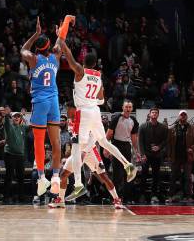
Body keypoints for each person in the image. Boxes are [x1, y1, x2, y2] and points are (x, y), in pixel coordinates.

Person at [56, 32, 137, 206]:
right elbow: (101, 98)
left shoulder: (80, 71)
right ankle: (127, 164)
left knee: (76, 145)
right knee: (104, 142)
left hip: (84, 112)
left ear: (83, 61)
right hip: (95, 111)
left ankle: (78, 184)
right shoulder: (99, 76)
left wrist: (62, 41)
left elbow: (68, 56)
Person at [21, 16, 67, 197]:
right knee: (56, 142)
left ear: (37, 48)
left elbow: (23, 49)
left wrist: (35, 34)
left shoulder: (33, 59)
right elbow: (60, 42)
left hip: (40, 102)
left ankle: (41, 178)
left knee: (39, 142)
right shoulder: (55, 58)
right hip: (54, 102)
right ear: (49, 47)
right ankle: (55, 176)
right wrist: (60, 31)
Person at [54, 104, 123, 209]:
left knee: (103, 176)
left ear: (74, 109)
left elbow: (93, 137)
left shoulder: (84, 119)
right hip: (77, 151)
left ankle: (117, 200)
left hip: (90, 151)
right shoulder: (69, 122)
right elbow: (74, 139)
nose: (66, 111)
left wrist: (84, 152)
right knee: (63, 174)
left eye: (68, 109)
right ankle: (61, 200)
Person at [107, 100, 140, 201]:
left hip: (126, 146)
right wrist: (106, 148)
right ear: (122, 107)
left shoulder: (133, 120)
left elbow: (134, 138)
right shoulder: (116, 118)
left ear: (132, 109)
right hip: (116, 145)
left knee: (128, 173)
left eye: (130, 107)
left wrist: (137, 151)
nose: (128, 109)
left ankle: (126, 197)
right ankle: (115, 197)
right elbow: (109, 134)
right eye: (126, 107)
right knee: (117, 174)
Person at [138, 107, 168, 203]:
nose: (154, 114)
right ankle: (142, 194)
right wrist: (142, 154)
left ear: (158, 115)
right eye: (153, 112)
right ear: (149, 114)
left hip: (157, 155)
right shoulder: (142, 126)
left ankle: (154, 195)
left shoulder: (163, 127)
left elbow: (166, 140)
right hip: (146, 155)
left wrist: (159, 147)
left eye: (156, 113)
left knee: (156, 176)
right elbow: (140, 142)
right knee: (144, 175)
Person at [167, 110, 194, 201]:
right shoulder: (172, 128)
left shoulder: (192, 128)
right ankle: (171, 195)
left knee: (187, 177)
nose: (183, 117)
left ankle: (188, 196)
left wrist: (192, 148)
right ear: (179, 116)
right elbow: (168, 143)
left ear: (187, 117)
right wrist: (169, 155)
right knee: (173, 176)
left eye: (185, 115)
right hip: (175, 156)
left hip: (187, 156)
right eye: (181, 115)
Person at [3, 110, 29, 204]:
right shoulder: (9, 126)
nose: (16, 118)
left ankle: (21, 197)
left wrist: (23, 116)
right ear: (12, 118)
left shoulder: (23, 127)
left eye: (18, 117)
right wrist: (7, 115)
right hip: (10, 154)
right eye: (15, 116)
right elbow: (6, 121)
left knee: (21, 177)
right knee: (9, 176)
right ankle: (6, 197)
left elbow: (31, 126)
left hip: (20, 156)